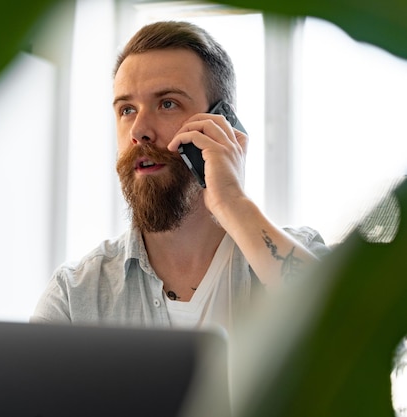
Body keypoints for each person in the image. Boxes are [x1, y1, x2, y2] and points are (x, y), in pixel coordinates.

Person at [31, 21, 329, 333]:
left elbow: (355, 338)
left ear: (223, 123)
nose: (139, 131)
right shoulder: (75, 296)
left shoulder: (298, 253)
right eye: (127, 110)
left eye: (167, 103)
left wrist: (233, 202)